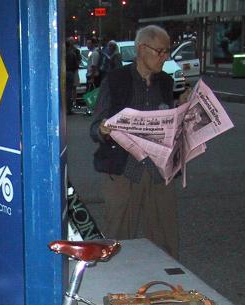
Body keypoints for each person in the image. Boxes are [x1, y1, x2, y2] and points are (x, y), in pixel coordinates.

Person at [89, 26, 190, 260]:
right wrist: (104, 129)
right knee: (119, 237)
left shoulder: (165, 82)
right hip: (124, 169)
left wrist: (182, 107)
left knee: (165, 235)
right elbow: (94, 128)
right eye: (160, 51)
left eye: (168, 52)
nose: (165, 57)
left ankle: (166, 284)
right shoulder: (116, 80)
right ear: (141, 49)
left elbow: (167, 120)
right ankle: (118, 286)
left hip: (158, 169)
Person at [65, 40, 80, 115]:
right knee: (69, 92)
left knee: (64, 91)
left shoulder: (61, 54)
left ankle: (64, 108)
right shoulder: (72, 54)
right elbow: (76, 65)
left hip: (63, 73)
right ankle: (69, 109)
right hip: (70, 73)